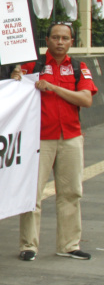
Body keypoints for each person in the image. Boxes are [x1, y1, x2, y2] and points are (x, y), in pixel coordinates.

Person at [11, 22, 97, 261]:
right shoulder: (32, 66)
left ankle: (69, 245)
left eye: (65, 38)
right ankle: (29, 245)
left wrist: (53, 87)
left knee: (71, 192)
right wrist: (15, 77)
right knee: (32, 194)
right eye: (56, 37)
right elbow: (14, 90)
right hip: (38, 139)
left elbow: (85, 99)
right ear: (46, 40)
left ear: (71, 42)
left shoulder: (79, 67)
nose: (60, 42)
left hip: (71, 137)